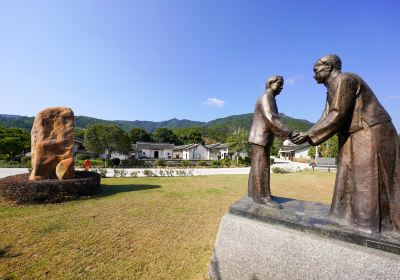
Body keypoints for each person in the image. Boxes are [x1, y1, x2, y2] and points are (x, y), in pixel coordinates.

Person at [292, 54, 400, 234]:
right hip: (355, 132)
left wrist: (309, 135)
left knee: (367, 178)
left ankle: (368, 226)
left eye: (315, 69)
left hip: (370, 131)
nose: (313, 75)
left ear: (329, 66)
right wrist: (307, 135)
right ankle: (347, 219)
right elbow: (327, 116)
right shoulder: (332, 87)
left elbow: (337, 114)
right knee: (347, 175)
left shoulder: (344, 79)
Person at [248, 76, 295, 208]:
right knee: (261, 167)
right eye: (279, 84)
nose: (282, 87)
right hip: (260, 137)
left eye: (282, 84)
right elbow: (272, 119)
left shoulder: (269, 97)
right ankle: (262, 197)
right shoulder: (266, 97)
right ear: (270, 83)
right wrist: (289, 133)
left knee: (257, 167)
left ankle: (255, 193)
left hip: (261, 137)